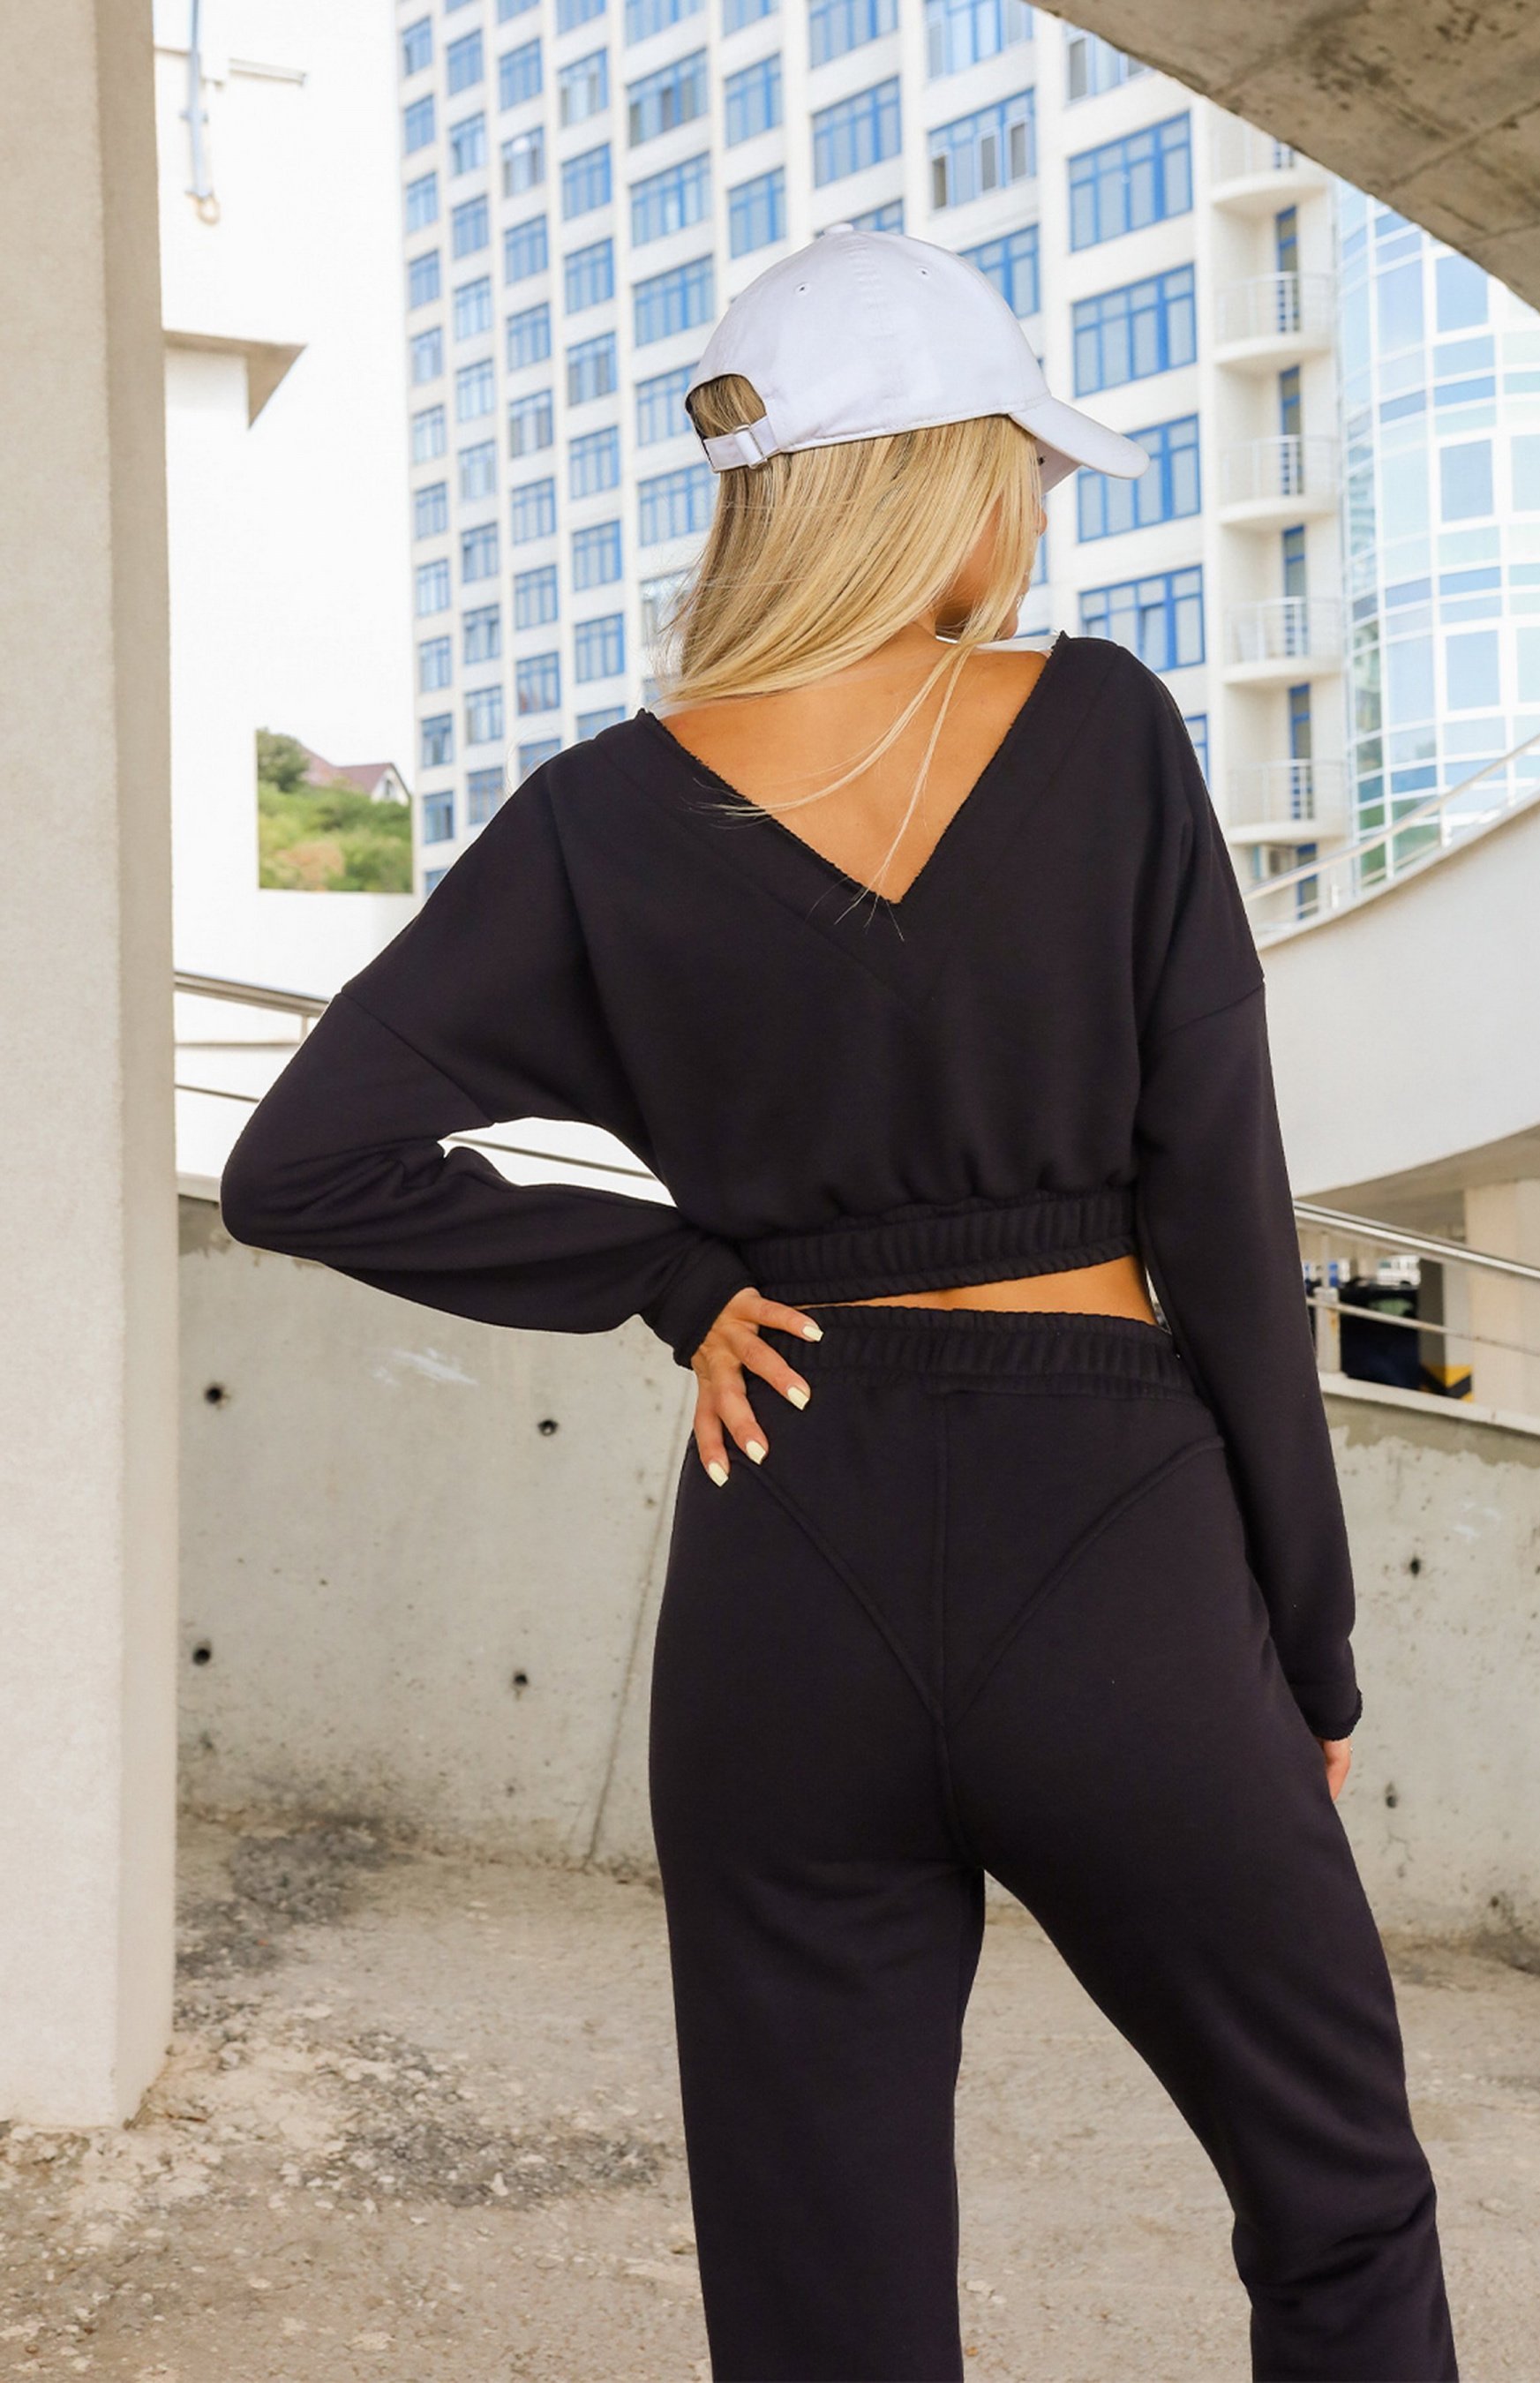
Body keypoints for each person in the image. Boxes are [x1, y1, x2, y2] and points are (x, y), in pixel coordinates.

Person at [221, 227, 1458, 2383]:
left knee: (821, 2302)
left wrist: (669, 1275)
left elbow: (296, 1164)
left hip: (783, 1545)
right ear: (938, 477)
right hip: (1112, 1544)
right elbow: (1221, 1218)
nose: (1033, 512)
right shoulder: (1099, 726)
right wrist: (1307, 1643)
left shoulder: (598, 816)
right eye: (1021, 467)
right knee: (1335, 2200)